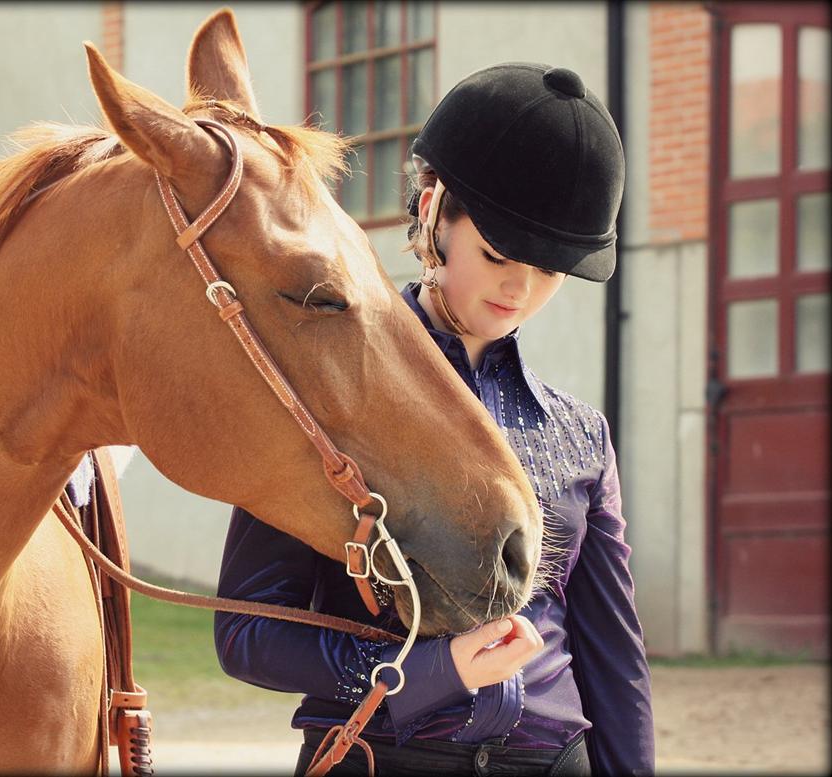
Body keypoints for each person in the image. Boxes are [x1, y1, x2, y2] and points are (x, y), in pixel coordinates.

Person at [214, 62, 654, 776]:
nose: (521, 287)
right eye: (499, 254)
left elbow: (614, 661)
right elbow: (247, 630)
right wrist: (427, 669)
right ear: (431, 207)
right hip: (379, 755)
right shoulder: (324, 395)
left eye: (551, 270)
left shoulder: (582, 435)